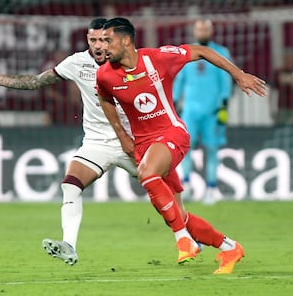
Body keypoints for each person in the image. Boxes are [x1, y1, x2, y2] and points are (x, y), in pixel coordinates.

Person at [0, 18, 138, 266]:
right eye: (93, 40)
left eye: (104, 39)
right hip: (97, 142)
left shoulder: (132, 61)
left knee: (164, 188)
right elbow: (36, 81)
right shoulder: (77, 62)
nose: (99, 45)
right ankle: (69, 245)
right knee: (71, 184)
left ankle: (187, 236)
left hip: (132, 139)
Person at [96, 17, 267, 274]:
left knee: (147, 175)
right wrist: (122, 135)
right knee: (178, 214)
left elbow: (202, 51)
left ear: (126, 40)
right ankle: (229, 247)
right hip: (144, 146)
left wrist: (238, 74)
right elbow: (105, 98)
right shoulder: (105, 75)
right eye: (100, 41)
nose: (102, 46)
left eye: (108, 40)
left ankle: (183, 240)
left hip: (172, 133)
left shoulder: (158, 58)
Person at [173, 19, 233, 204]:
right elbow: (179, 79)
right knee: (184, 149)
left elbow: (226, 79)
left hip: (212, 111)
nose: (202, 31)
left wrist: (223, 103)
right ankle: (187, 185)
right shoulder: (187, 52)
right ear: (195, 31)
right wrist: (174, 100)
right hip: (190, 110)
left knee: (212, 149)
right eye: (199, 29)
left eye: (205, 28)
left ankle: (211, 189)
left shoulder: (221, 53)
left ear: (211, 30)